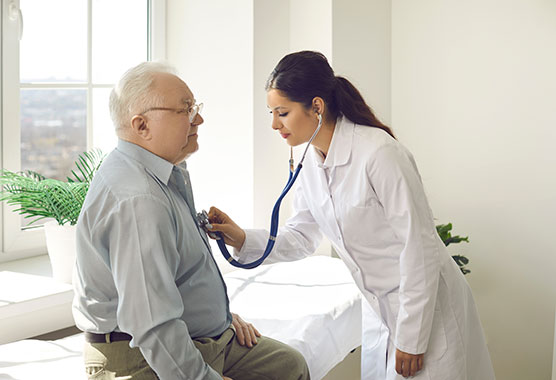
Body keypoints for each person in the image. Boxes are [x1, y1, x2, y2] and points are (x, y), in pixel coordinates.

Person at [207, 51, 496, 380]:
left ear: (316, 106)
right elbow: (301, 237)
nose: (274, 124)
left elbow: (420, 247)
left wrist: (413, 339)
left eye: (282, 113)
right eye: (272, 113)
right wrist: (241, 237)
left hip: (427, 311)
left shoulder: (379, 153)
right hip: (381, 310)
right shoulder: (311, 162)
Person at [72, 61, 310, 380]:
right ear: (141, 126)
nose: (198, 118)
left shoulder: (167, 172)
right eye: (185, 109)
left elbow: (172, 278)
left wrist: (221, 317)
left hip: (201, 337)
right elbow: (152, 324)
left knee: (288, 367)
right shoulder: (139, 200)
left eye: (195, 106)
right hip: (139, 356)